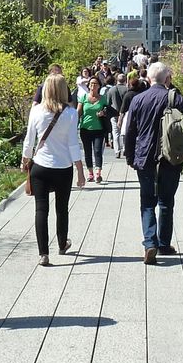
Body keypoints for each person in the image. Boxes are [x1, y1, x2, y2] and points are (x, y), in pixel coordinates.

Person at [123, 61, 183, 265]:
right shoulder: (176, 98)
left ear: (148, 79)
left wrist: (130, 156)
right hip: (170, 158)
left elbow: (130, 131)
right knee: (166, 201)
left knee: (147, 201)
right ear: (167, 78)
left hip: (145, 157)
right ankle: (164, 244)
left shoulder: (138, 99)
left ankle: (150, 243)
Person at [21, 73, 84, 266]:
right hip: (63, 167)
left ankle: (43, 253)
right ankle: (62, 244)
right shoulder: (71, 114)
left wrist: (25, 160)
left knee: (41, 209)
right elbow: (73, 143)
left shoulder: (36, 111)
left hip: (40, 166)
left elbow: (29, 139)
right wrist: (80, 170)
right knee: (62, 208)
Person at [76, 76, 107, 184]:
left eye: (95, 84)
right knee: (87, 151)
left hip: (99, 128)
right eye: (91, 84)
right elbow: (78, 112)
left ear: (99, 86)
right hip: (85, 128)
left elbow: (108, 110)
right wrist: (73, 123)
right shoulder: (83, 97)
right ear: (88, 86)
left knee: (98, 151)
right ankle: (90, 173)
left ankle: (98, 173)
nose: (93, 86)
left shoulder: (103, 98)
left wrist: (103, 113)